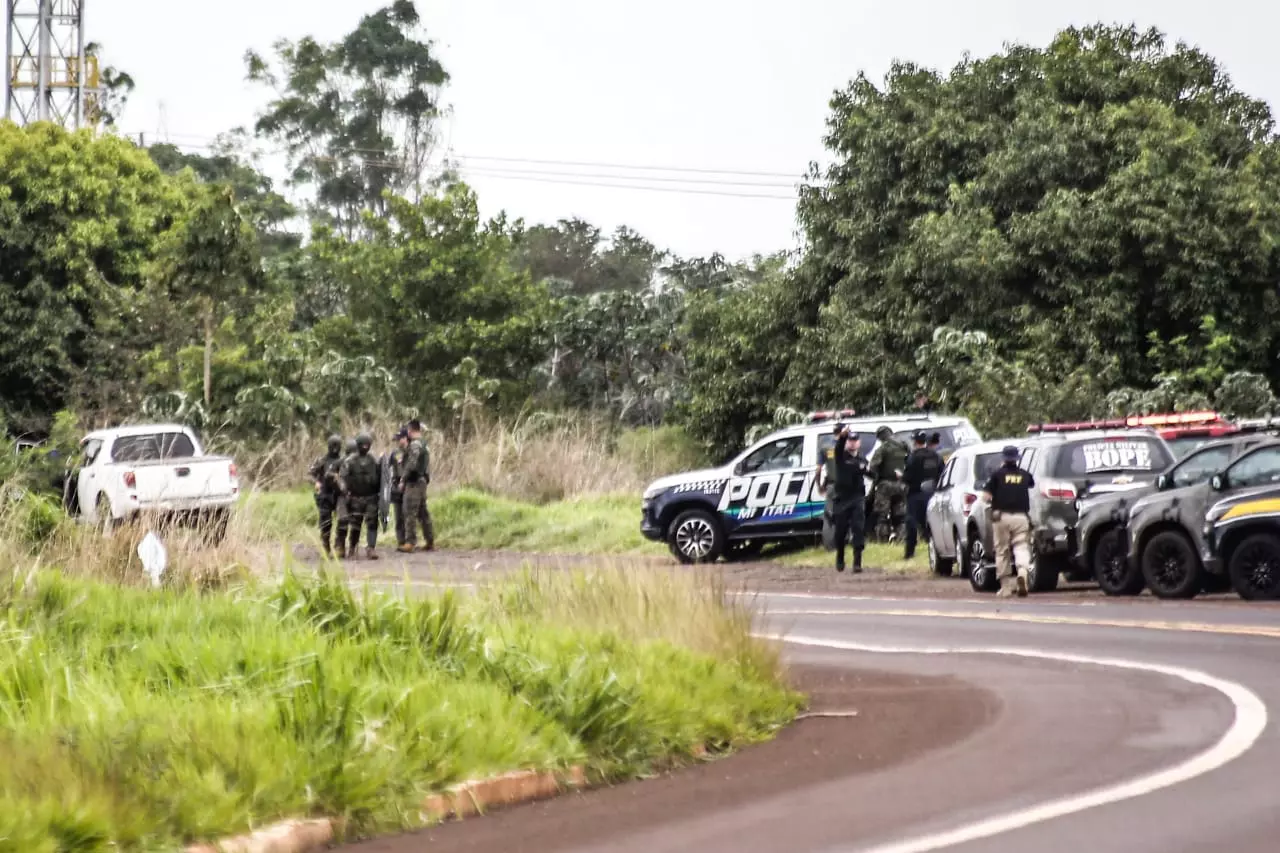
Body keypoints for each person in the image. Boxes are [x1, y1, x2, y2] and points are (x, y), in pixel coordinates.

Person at [982, 445, 1035, 598]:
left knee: (1002, 551)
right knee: (1021, 547)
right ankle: (1023, 572)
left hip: (1002, 518)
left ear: (1003, 459)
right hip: (1021, 517)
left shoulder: (997, 475)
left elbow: (985, 497)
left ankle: (1005, 587)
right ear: (1016, 458)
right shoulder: (1025, 475)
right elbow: (1031, 484)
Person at [820, 424, 869, 573]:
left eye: (855, 440)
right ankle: (840, 556)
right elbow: (839, 447)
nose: (852, 442)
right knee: (840, 532)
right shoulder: (841, 457)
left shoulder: (862, 459)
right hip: (842, 499)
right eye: (850, 440)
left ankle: (857, 562)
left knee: (858, 529)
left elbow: (872, 474)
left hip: (857, 498)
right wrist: (842, 436)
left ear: (859, 443)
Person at [337, 432, 382, 560]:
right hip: (356, 497)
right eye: (363, 444)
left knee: (372, 523)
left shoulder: (373, 460)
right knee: (356, 524)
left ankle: (371, 548)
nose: (365, 447)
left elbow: (381, 477)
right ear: (358, 445)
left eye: (367, 444)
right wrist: (344, 489)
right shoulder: (350, 461)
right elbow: (342, 477)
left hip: (371, 496)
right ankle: (352, 548)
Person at [902, 430, 944, 560]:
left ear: (915, 442)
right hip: (932, 495)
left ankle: (910, 552)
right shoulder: (936, 456)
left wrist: (900, 476)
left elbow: (907, 477)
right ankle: (936, 549)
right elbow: (942, 473)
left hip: (915, 495)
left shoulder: (912, 457)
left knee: (911, 522)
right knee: (932, 523)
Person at [399, 419, 435, 553]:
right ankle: (430, 540)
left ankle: (410, 542)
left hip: (414, 482)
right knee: (423, 512)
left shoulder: (415, 445)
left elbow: (412, 463)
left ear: (410, 430)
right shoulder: (425, 444)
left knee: (409, 511)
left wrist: (403, 478)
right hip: (422, 481)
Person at [869, 426, 909, 541]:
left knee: (882, 516)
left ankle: (883, 540)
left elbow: (873, 467)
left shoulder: (883, 448)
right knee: (901, 516)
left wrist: (875, 480)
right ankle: (902, 539)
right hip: (901, 485)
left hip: (885, 486)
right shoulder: (904, 446)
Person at [308, 434, 345, 557]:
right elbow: (310, 474)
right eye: (333, 445)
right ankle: (325, 546)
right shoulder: (322, 460)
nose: (335, 448)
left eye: (337, 445)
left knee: (342, 520)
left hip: (339, 495)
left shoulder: (344, 460)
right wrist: (316, 482)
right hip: (325, 494)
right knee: (325, 522)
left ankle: (339, 546)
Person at [382, 428, 409, 548]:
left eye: (399, 439)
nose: (397, 441)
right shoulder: (395, 452)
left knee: (409, 514)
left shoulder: (412, 450)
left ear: (405, 438)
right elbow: (387, 467)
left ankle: (410, 540)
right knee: (399, 515)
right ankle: (401, 540)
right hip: (397, 484)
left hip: (409, 484)